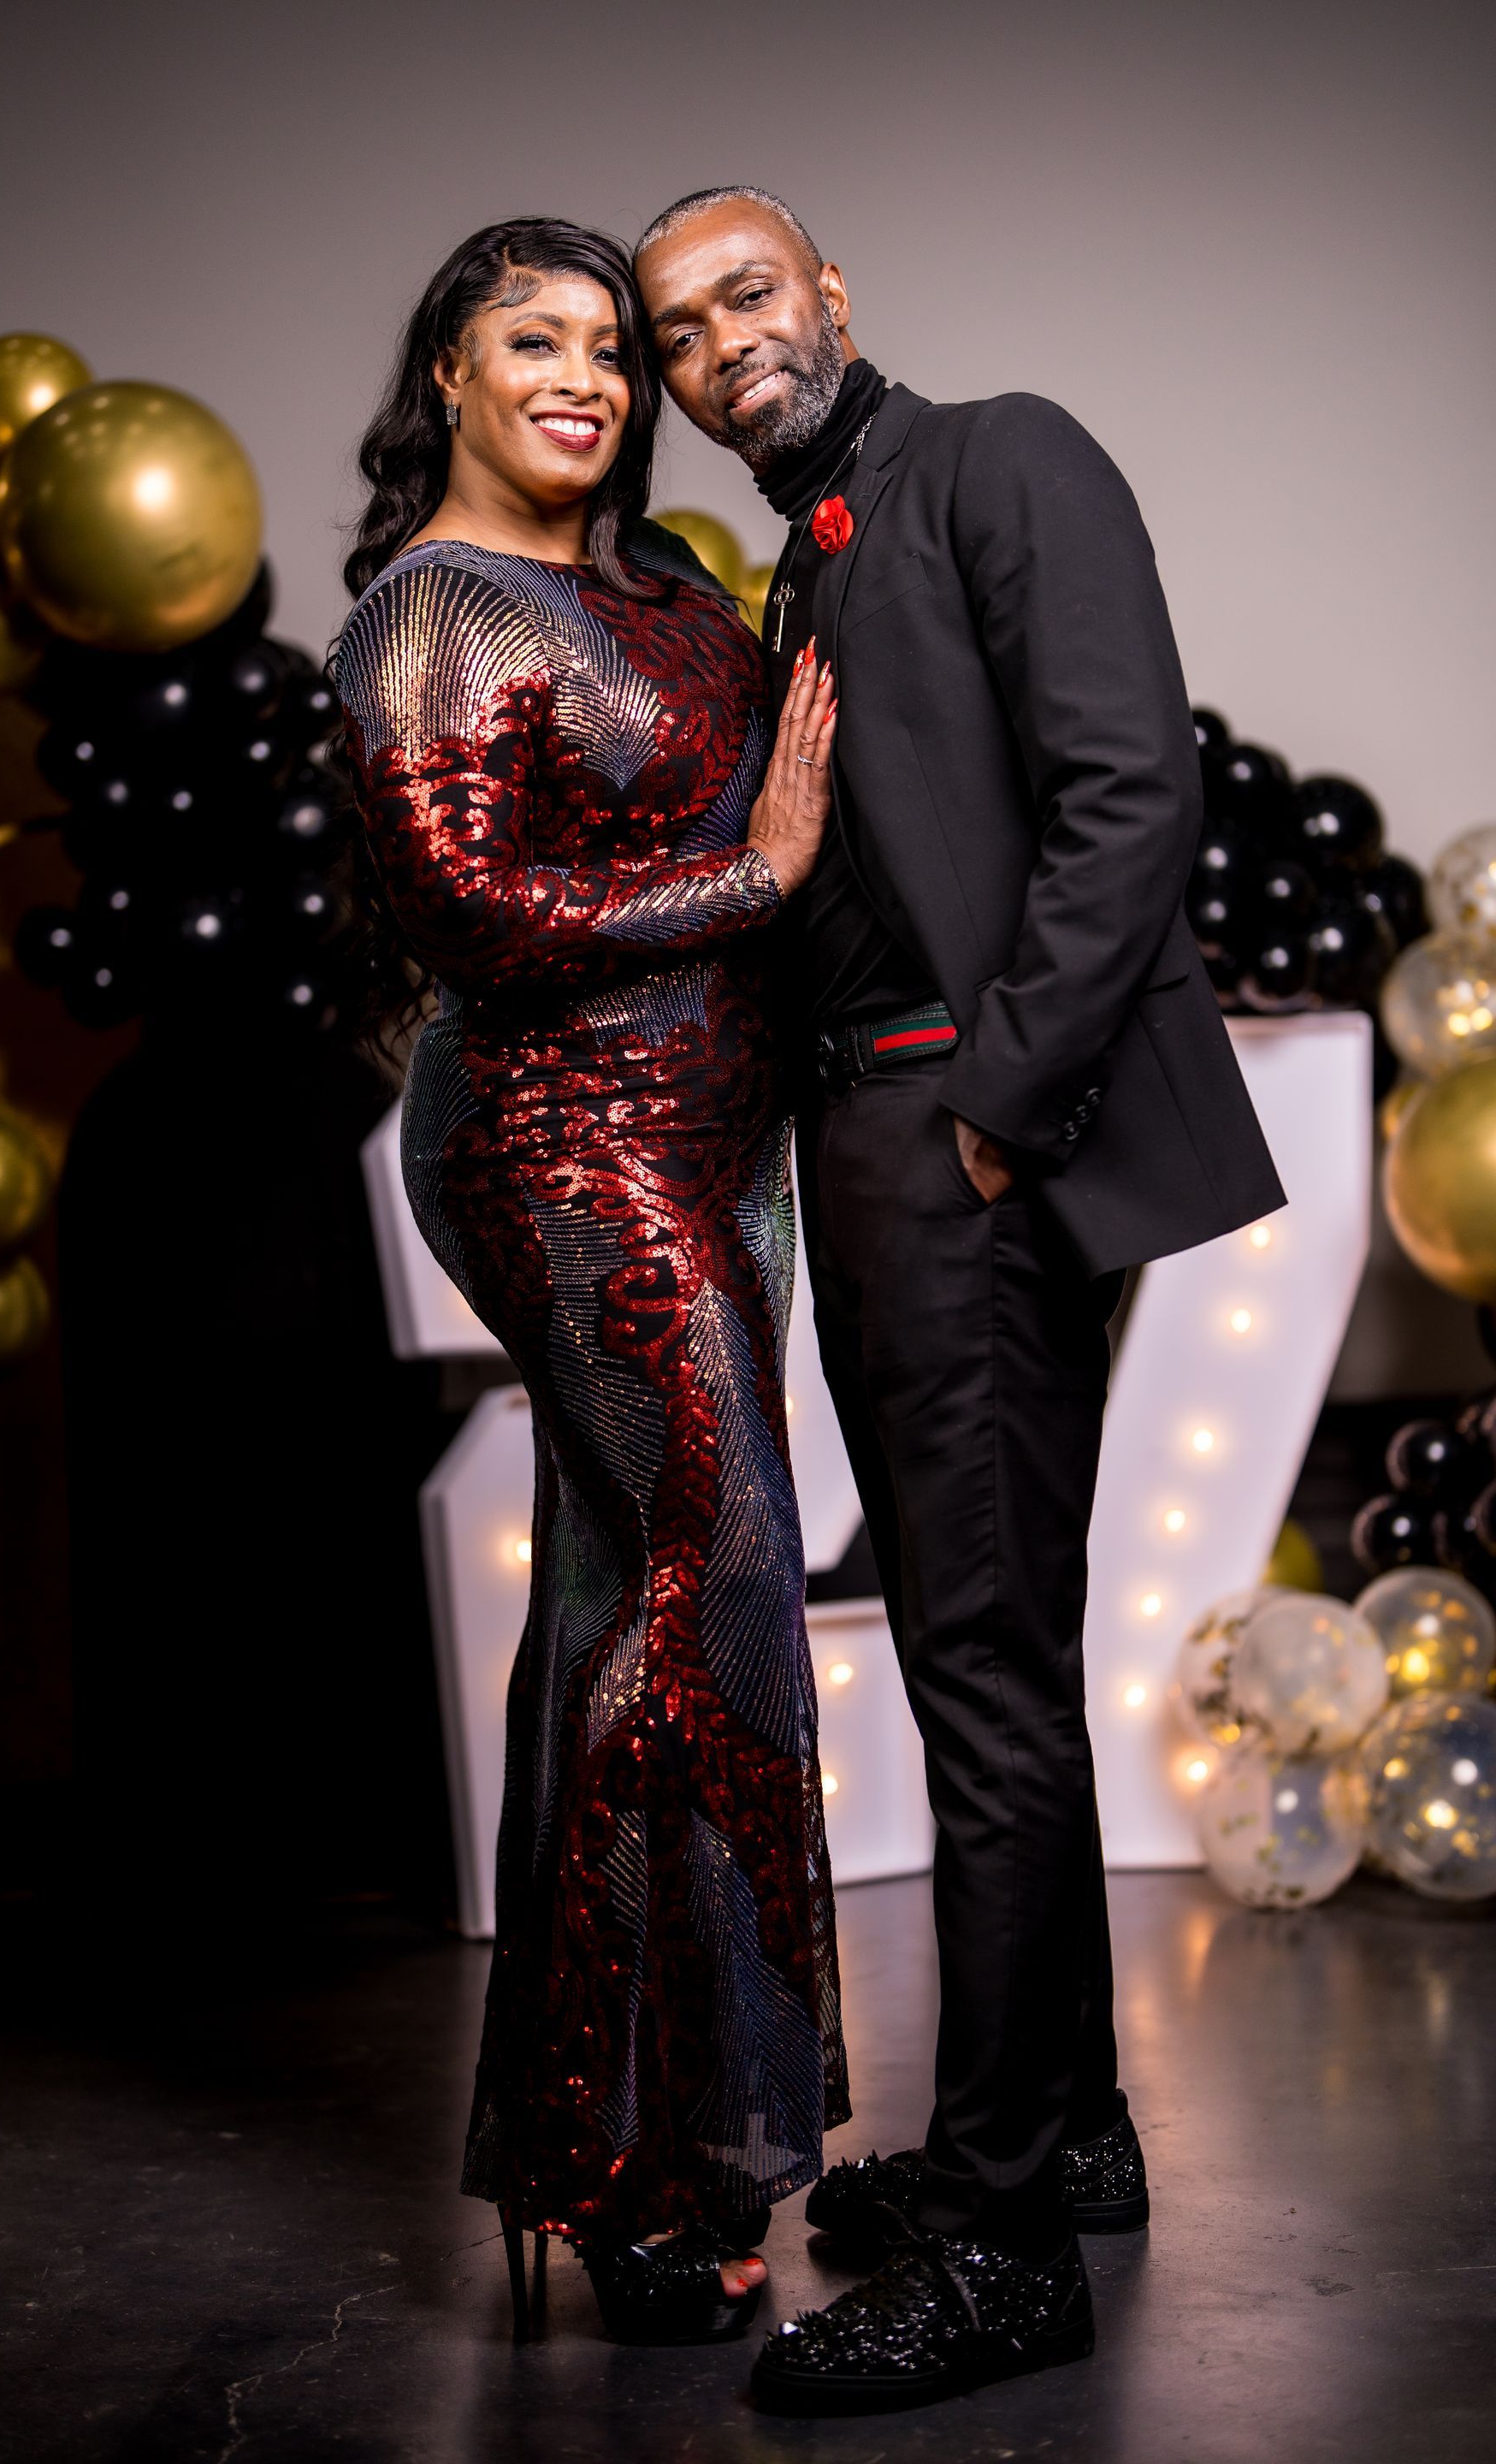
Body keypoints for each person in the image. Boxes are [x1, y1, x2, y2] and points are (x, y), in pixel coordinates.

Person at [636, 187, 1285, 2414]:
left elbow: (1132, 787)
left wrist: (1000, 1109)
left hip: (963, 1137)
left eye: (748, 295)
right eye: (679, 331)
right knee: (975, 1656)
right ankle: (1065, 2131)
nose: (720, 346)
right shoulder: (805, 557)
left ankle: (1006, 2250)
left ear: (831, 294)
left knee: (984, 1685)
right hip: (874, 1141)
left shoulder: (1000, 452)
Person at [333, 219, 849, 2348]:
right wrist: (761, 873)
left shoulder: (665, 585)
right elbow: (471, 914)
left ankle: (621, 2145)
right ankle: (651, 2167)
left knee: (629, 1602)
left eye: (612, 350)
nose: (588, 379)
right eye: (531, 340)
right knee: (713, 1584)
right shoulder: (433, 609)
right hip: (559, 1143)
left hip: (726, 1138)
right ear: (448, 375)